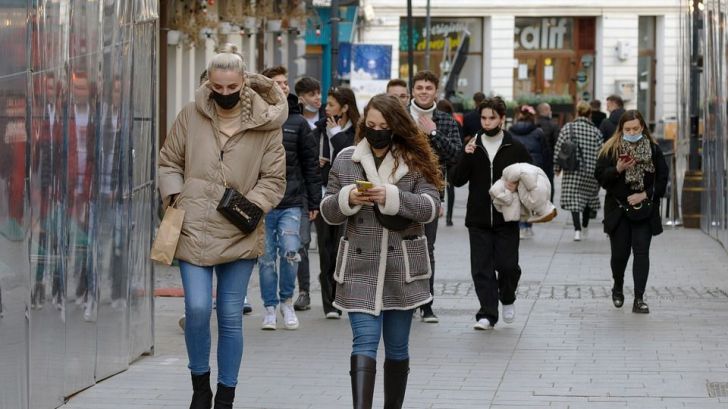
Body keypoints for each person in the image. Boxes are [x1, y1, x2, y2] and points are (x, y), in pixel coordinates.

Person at [158, 44, 286, 409]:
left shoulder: (266, 125)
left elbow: (274, 179)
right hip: (194, 226)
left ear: (244, 82)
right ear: (209, 83)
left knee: (231, 315)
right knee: (197, 309)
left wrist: (249, 207)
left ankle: (226, 394)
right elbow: (169, 161)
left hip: (239, 229)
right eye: (219, 87)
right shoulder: (190, 115)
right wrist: (175, 197)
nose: (225, 93)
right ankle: (200, 385)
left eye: (233, 87)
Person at [319, 94, 443, 409]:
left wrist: (391, 195)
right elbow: (328, 210)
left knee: (398, 347)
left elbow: (430, 208)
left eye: (384, 126)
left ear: (397, 126)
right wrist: (349, 197)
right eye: (371, 125)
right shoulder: (347, 157)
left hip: (402, 266)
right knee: (364, 341)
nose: (377, 131)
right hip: (359, 266)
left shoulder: (415, 159)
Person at [450, 96, 532, 330]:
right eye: (483, 118)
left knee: (508, 266)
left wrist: (516, 184)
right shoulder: (472, 145)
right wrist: (465, 155)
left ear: (501, 118)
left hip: (506, 217)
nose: (486, 122)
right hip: (478, 218)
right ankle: (487, 313)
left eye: (492, 117)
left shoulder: (514, 146)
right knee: (481, 268)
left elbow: (531, 174)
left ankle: (507, 298)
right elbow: (456, 180)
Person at [258, 66, 321, 330]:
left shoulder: (297, 123)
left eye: (285, 83)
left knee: (291, 252)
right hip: (261, 202)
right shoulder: (256, 118)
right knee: (266, 258)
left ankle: (287, 301)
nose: (283, 87)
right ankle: (270, 307)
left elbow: (310, 163)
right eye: (277, 83)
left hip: (292, 201)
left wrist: (315, 201)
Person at [595, 110, 668, 314]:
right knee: (619, 255)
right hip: (618, 210)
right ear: (621, 129)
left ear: (642, 127)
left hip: (644, 210)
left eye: (636, 128)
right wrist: (617, 169)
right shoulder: (611, 149)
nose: (632, 132)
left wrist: (644, 194)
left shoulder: (653, 149)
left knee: (641, 252)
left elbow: (663, 179)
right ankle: (618, 286)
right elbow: (600, 178)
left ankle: (639, 298)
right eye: (628, 129)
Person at [408, 70, 463, 323]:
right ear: (412, 90)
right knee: (400, 246)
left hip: (431, 191)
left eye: (428, 88)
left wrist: (432, 132)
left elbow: (455, 156)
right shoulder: (401, 117)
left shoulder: (446, 121)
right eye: (419, 87)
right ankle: (405, 301)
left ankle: (427, 303)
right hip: (400, 190)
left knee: (426, 247)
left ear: (436, 92)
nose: (423, 91)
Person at [312, 86, 361, 319]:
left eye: (331, 104)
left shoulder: (359, 132)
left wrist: (337, 134)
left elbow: (353, 157)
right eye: (326, 104)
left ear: (345, 108)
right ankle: (328, 302)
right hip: (324, 195)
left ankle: (343, 295)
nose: (326, 108)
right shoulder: (318, 130)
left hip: (350, 196)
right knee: (326, 248)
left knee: (345, 248)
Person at [292, 76, 325, 311]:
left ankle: (330, 291)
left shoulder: (327, 121)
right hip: (300, 189)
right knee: (301, 242)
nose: (318, 99)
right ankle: (303, 291)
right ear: (301, 97)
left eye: (319, 93)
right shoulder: (292, 121)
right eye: (313, 94)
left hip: (324, 187)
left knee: (325, 244)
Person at [552, 101, 603, 241]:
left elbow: (559, 149)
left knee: (574, 199)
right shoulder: (596, 132)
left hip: (572, 169)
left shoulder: (568, 128)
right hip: (590, 170)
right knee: (586, 198)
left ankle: (577, 230)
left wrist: (557, 168)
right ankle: (585, 227)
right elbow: (601, 153)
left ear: (577, 113)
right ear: (590, 114)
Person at [509, 104, 552, 239]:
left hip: (515, 168)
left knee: (517, 198)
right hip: (533, 169)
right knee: (530, 198)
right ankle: (527, 227)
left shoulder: (510, 132)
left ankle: (519, 226)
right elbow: (546, 153)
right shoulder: (538, 132)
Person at [435, 99, 463, 227]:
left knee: (437, 186)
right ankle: (449, 217)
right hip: (452, 161)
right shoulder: (456, 122)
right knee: (450, 189)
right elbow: (460, 142)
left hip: (439, 160)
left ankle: (437, 209)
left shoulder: (436, 123)